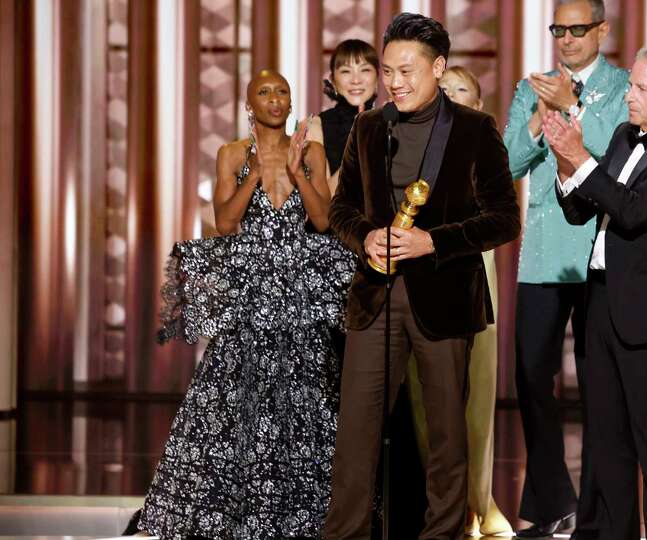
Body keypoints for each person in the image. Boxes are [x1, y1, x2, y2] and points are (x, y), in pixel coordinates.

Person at [322, 13, 521, 540]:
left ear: (438, 68)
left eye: (406, 70)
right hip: (374, 299)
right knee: (356, 436)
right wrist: (365, 237)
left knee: (446, 438)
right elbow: (340, 209)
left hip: (445, 299)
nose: (394, 82)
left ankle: (445, 534)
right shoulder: (367, 128)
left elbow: (504, 217)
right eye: (388, 70)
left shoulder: (476, 129)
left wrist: (433, 240)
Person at [138, 70, 356, 538]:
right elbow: (223, 222)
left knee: (308, 398)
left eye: (281, 92)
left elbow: (323, 220)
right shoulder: (232, 153)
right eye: (264, 93)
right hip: (252, 290)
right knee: (236, 398)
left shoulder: (312, 152)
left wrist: (298, 173)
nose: (274, 99)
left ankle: (304, 514)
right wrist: (253, 174)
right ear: (248, 105)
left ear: (292, 101)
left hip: (299, 291)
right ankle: (232, 512)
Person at [545, 47, 647, 540]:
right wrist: (564, 165)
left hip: (646, 312)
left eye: (642, 88)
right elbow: (583, 211)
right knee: (606, 436)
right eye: (632, 84)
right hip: (599, 301)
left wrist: (580, 160)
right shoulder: (623, 136)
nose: (630, 95)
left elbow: (635, 211)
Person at [502, 0, 629, 535]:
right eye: (561, 29)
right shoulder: (533, 85)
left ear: (602, 29)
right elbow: (507, 160)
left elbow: (617, 154)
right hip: (546, 252)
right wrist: (539, 112)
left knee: (601, 383)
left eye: (579, 29)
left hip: (604, 249)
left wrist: (575, 101)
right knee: (531, 374)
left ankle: (597, 511)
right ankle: (555, 502)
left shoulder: (626, 86)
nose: (569, 39)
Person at [402, 65, 513, 537]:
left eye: (460, 91)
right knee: (425, 397)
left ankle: (475, 504)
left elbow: (500, 218)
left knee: (475, 394)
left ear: (479, 104)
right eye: (444, 90)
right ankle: (439, 506)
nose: (449, 97)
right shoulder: (414, 142)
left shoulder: (484, 144)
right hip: (418, 271)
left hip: (470, 268)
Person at [305, 39, 379, 195]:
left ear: (378, 78)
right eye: (346, 71)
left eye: (365, 70)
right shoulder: (316, 126)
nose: (356, 80)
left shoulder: (390, 122)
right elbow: (323, 201)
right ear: (333, 80)